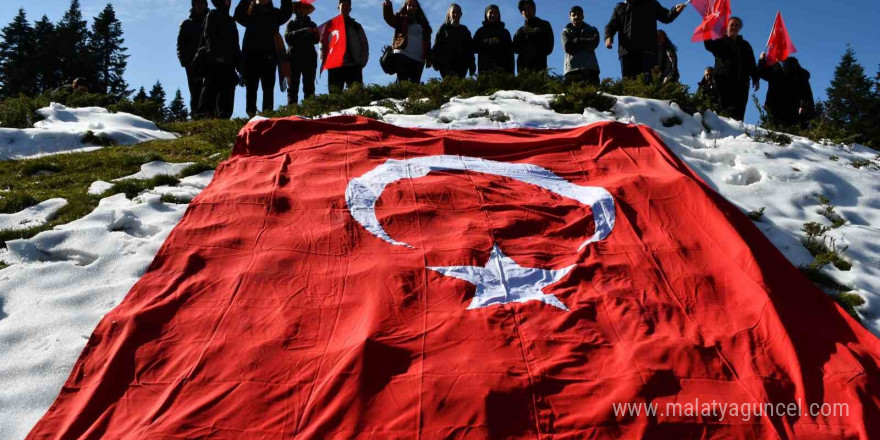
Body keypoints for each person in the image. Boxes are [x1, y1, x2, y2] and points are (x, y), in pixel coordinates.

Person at [234, 0, 293, 116]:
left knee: (268, 89)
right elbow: (238, 15)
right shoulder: (250, 13)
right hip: (251, 58)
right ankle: (251, 115)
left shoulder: (275, 14)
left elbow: (287, 12)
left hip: (269, 58)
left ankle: (267, 115)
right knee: (251, 88)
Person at [604, 0, 686, 79]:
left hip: (647, 50)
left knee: (646, 80)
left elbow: (666, 16)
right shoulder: (620, 8)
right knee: (629, 82)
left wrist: (675, 10)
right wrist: (608, 37)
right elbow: (611, 25)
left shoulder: (651, 4)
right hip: (627, 51)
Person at [703, 17, 759, 121]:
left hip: (742, 84)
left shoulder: (745, 45)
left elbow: (751, 63)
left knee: (739, 112)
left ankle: (738, 136)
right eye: (732, 24)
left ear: (740, 28)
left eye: (737, 25)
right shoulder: (720, 42)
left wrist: (755, 78)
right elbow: (709, 45)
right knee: (724, 111)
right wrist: (706, 31)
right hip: (723, 82)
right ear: (727, 27)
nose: (734, 27)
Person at [196, 0, 242, 119]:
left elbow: (235, 44)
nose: (228, 2)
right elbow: (208, 37)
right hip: (214, 62)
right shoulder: (212, 15)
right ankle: (204, 116)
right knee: (210, 90)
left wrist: (239, 64)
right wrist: (216, 56)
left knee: (227, 93)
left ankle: (223, 118)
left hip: (228, 63)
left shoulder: (231, 20)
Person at [758, 54, 815, 127]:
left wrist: (762, 60)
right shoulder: (800, 77)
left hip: (775, 108)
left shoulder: (779, 74)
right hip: (791, 110)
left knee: (775, 131)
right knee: (789, 131)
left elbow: (762, 72)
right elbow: (806, 95)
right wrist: (803, 108)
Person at [383, 0, 432, 83]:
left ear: (417, 8)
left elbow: (427, 43)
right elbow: (389, 18)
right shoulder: (401, 19)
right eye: (409, 5)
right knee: (402, 82)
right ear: (406, 7)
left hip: (418, 59)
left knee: (414, 84)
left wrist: (428, 57)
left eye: (414, 5)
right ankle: (397, 95)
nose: (412, 7)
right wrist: (387, 6)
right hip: (402, 54)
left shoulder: (424, 24)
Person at [326, 0, 369, 93]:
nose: (345, 7)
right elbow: (324, 44)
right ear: (338, 7)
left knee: (357, 97)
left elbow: (364, 44)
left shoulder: (356, 26)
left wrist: (362, 62)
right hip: (335, 66)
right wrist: (326, 61)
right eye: (343, 5)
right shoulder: (330, 26)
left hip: (354, 66)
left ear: (350, 8)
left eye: (347, 5)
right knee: (334, 98)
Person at [177, 0, 209, 115]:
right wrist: (184, 61)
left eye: (201, 3)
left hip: (208, 62)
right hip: (191, 64)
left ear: (206, 5)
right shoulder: (186, 23)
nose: (199, 6)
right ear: (193, 6)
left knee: (208, 89)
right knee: (195, 90)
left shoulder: (211, 21)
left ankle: (208, 114)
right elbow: (180, 44)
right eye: (197, 4)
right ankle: (195, 114)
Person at [284, 1, 318, 105]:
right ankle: (291, 113)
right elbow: (287, 38)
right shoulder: (291, 23)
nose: (302, 10)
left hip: (309, 60)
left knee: (309, 88)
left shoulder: (313, 25)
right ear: (296, 10)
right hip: (293, 60)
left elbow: (316, 40)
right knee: (292, 88)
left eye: (304, 8)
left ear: (308, 11)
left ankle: (310, 111)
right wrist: (304, 31)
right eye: (300, 8)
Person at [432, 4, 475, 79]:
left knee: (459, 87)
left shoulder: (464, 30)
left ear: (461, 14)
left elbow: (469, 49)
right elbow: (437, 46)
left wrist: (472, 65)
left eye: (458, 12)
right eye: (453, 12)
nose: (456, 14)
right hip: (446, 66)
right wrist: (434, 62)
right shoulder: (444, 28)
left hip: (462, 65)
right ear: (449, 13)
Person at [561, 5, 600, 85]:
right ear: (570, 17)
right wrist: (586, 41)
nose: (576, 17)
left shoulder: (592, 30)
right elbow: (567, 47)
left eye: (579, 14)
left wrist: (575, 41)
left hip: (591, 69)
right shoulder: (565, 32)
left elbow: (594, 43)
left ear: (583, 16)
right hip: (572, 69)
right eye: (573, 15)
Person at [512, 0, 553, 74]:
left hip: (540, 69)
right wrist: (522, 34)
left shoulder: (545, 25)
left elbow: (549, 48)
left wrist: (534, 34)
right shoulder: (520, 31)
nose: (527, 10)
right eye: (524, 9)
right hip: (523, 70)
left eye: (529, 7)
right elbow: (515, 49)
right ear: (522, 13)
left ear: (534, 9)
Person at [472, 5, 514, 75]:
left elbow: (510, 53)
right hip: (485, 72)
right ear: (486, 14)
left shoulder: (505, 32)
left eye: (495, 13)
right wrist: (488, 41)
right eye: (491, 12)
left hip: (503, 73)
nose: (493, 15)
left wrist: (512, 72)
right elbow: (473, 48)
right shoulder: (480, 31)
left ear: (499, 15)